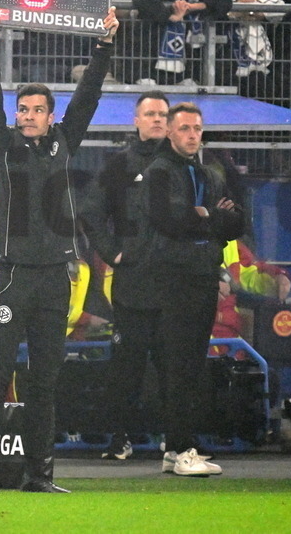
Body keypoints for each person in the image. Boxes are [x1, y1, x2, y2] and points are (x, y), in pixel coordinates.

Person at [0, 5, 118, 493]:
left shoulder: (65, 142)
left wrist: (104, 46)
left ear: (51, 116)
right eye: (23, 109)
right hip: (12, 277)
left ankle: (40, 475)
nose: (28, 116)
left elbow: (89, 96)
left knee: (44, 382)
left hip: (56, 278)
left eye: (37, 110)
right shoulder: (1, 146)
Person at [131, 101, 243, 475]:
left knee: (192, 363)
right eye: (184, 128)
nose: (192, 135)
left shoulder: (208, 173)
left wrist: (206, 216)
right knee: (179, 363)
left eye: (197, 128)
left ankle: (177, 448)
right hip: (173, 278)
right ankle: (180, 449)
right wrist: (213, 216)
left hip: (202, 275)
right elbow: (170, 220)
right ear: (169, 132)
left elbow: (236, 223)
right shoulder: (159, 172)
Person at [79, 90, 169, 460]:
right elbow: (90, 213)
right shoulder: (118, 165)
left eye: (162, 114)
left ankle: (177, 440)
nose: (157, 119)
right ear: (136, 120)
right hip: (133, 283)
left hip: (177, 284)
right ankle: (120, 439)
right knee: (127, 365)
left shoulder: (187, 164)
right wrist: (112, 252)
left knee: (175, 366)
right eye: (150, 114)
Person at [211, 238, 291, 352]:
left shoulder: (230, 242)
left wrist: (276, 278)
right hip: (195, 328)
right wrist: (205, 287)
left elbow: (249, 273)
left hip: (229, 333)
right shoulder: (185, 240)